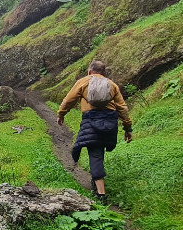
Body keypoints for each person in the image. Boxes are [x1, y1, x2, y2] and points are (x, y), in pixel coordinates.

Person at [57, 60, 133, 203]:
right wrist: (127, 128)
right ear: (104, 73)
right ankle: (96, 180)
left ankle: (101, 194)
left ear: (89, 72)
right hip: (110, 121)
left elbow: (69, 100)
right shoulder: (112, 85)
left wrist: (61, 114)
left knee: (95, 153)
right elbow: (122, 108)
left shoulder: (83, 82)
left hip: (91, 120)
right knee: (99, 149)